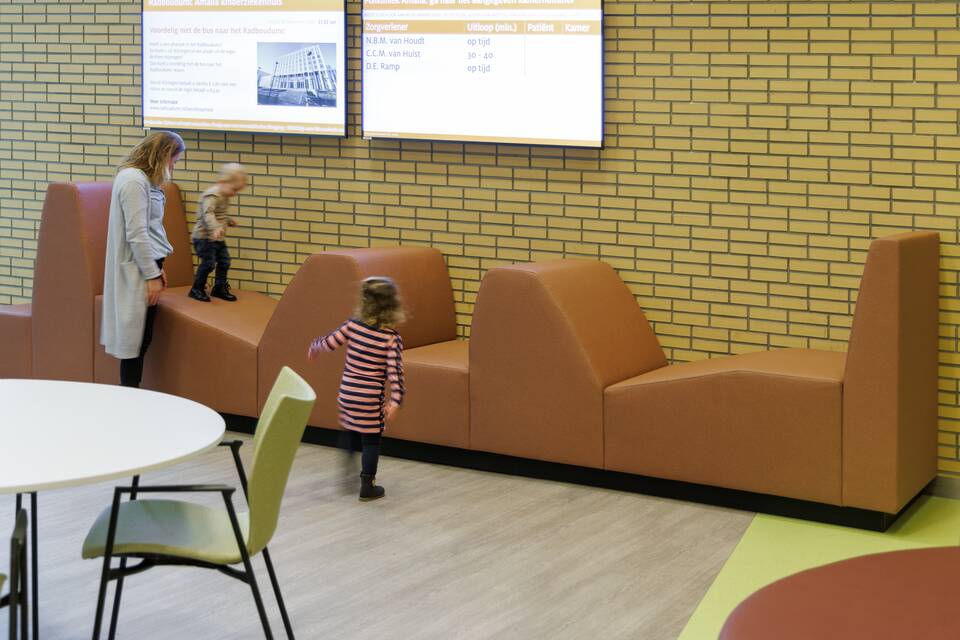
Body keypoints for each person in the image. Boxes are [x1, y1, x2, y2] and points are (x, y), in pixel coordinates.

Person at [307, 277, 406, 501]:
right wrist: (396, 401)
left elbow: (329, 342)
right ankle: (367, 484)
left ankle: (346, 472)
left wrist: (314, 347)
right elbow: (395, 373)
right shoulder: (391, 339)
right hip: (370, 397)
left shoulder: (352, 325)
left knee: (350, 429)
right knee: (371, 439)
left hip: (347, 392)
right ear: (393, 307)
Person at [101, 130, 185, 388]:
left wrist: (158, 269)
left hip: (148, 265)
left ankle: (132, 393)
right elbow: (137, 234)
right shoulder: (133, 181)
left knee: (142, 338)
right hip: (137, 270)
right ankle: (129, 395)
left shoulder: (147, 181)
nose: (174, 166)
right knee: (134, 341)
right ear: (162, 155)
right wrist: (151, 274)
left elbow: (153, 229)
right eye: (174, 160)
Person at [188, 162, 247, 302]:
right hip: (203, 238)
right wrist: (215, 227)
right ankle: (196, 289)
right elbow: (207, 213)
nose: (235, 194)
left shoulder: (224, 195)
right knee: (208, 264)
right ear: (222, 182)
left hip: (217, 238)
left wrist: (228, 220)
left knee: (225, 261)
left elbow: (219, 213)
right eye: (234, 189)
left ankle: (219, 288)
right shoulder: (212, 195)